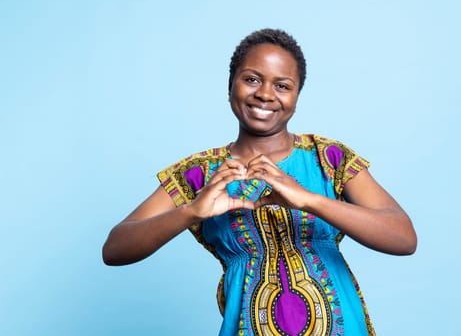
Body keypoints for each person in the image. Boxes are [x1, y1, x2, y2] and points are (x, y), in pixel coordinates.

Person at [102, 28, 417, 335]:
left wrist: (309, 199)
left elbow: (403, 238)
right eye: (251, 79)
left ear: (296, 96)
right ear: (230, 86)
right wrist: (192, 211)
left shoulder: (328, 158)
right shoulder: (200, 173)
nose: (265, 94)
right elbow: (115, 248)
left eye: (282, 85)